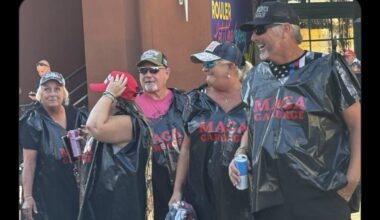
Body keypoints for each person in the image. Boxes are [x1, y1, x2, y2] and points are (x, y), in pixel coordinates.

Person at [228, 2, 361, 220]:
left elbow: (357, 123)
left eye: (261, 30)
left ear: (286, 29)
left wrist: (353, 178)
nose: (254, 38)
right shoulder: (255, 77)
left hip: (322, 194)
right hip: (269, 198)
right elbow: (253, 126)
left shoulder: (327, 67)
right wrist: (240, 153)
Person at [169, 41, 253, 220]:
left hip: (245, 196)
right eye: (203, 64)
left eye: (209, 64)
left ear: (230, 67)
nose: (204, 69)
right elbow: (185, 149)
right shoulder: (194, 101)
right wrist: (177, 191)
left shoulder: (254, 97)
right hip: (202, 197)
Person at [79, 71, 153, 220]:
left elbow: (93, 126)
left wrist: (109, 94)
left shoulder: (128, 122)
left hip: (119, 209)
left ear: (117, 98)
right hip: (106, 206)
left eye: (105, 93)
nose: (102, 97)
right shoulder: (118, 120)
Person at [20, 71, 88, 220]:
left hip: (74, 191)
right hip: (46, 194)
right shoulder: (33, 120)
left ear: (64, 93)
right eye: (47, 89)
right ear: (40, 94)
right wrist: (28, 197)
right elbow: (29, 163)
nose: (52, 94)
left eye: (57, 89)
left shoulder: (77, 115)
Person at [135, 49, 187, 220]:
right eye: (143, 71)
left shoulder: (185, 102)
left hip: (187, 184)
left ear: (167, 72)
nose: (148, 75)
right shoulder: (130, 108)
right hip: (151, 190)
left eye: (154, 70)